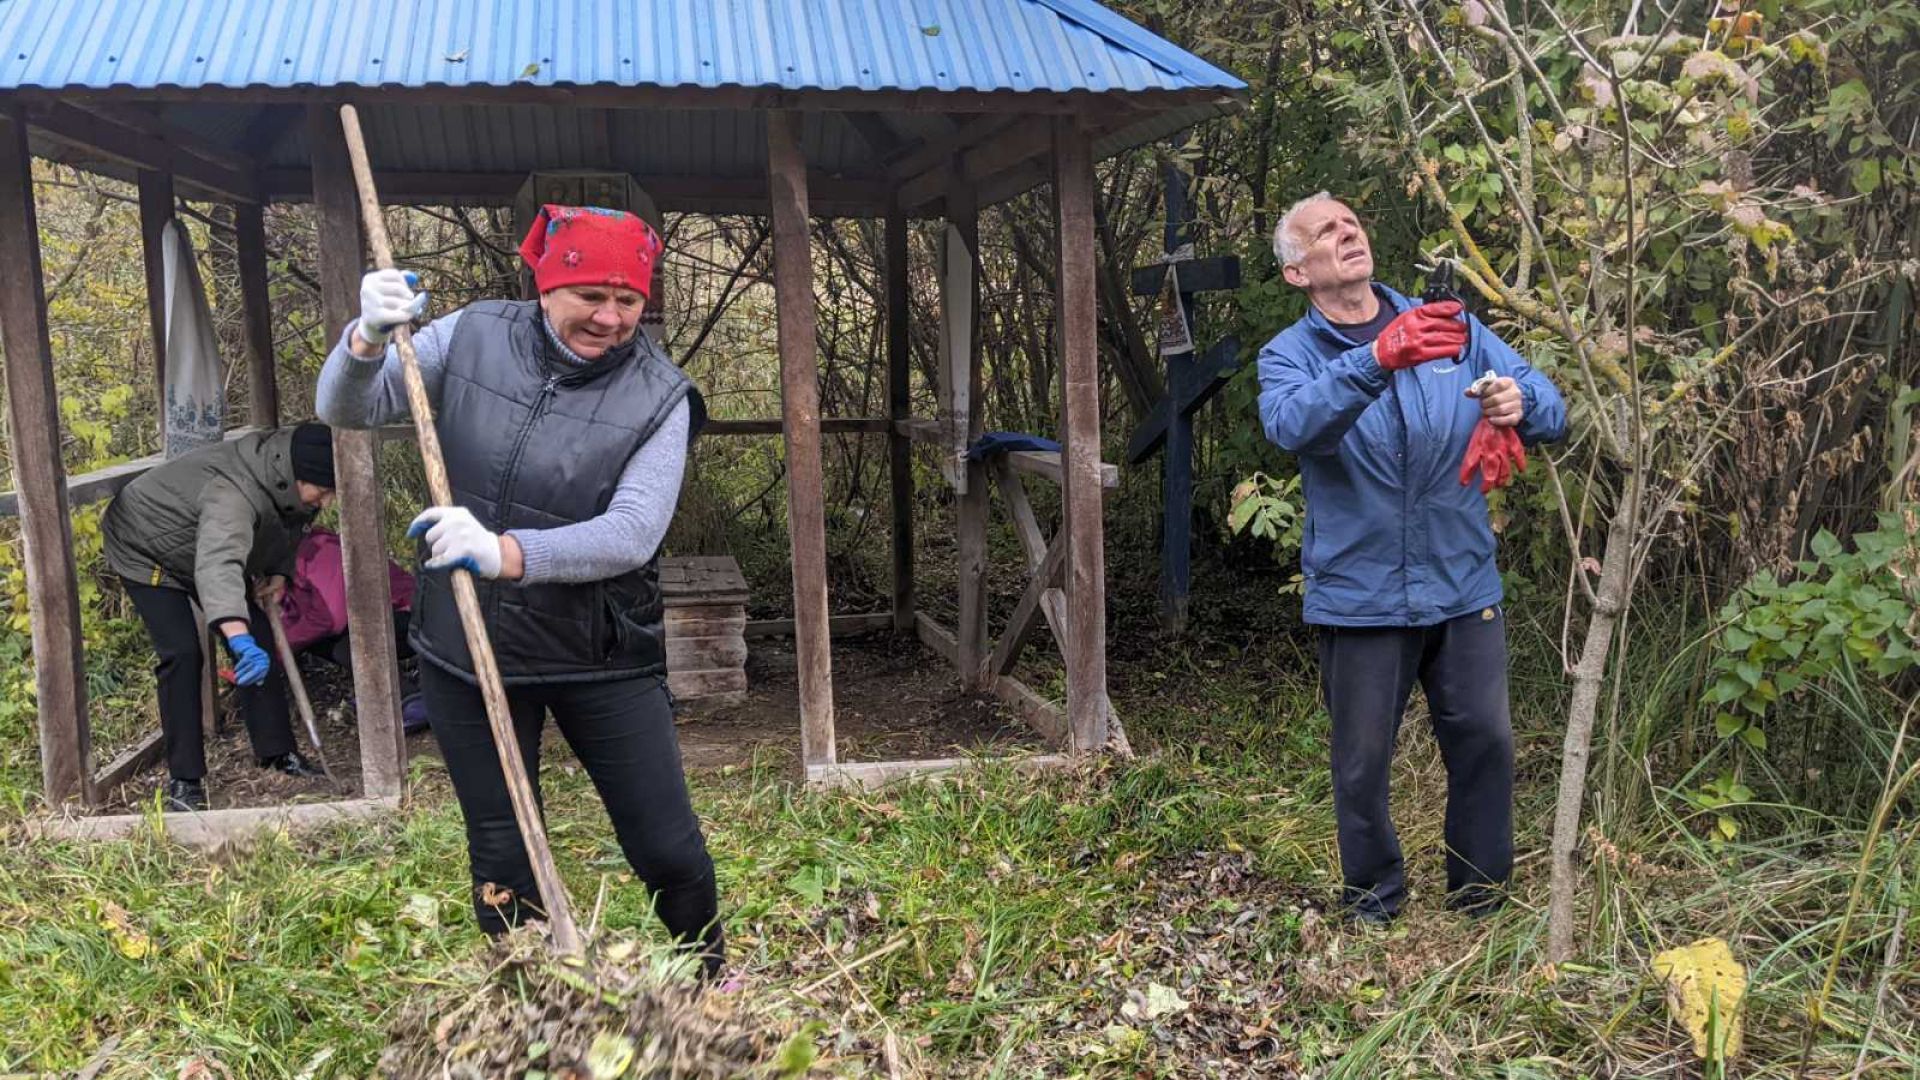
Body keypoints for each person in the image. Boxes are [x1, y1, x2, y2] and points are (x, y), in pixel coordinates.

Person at [316, 204, 721, 973]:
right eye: (590, 296)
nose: (610, 318)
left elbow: (633, 532)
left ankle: (708, 978)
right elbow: (347, 407)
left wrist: (504, 552)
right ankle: (534, 999)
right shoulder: (470, 336)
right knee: (502, 856)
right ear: (545, 286)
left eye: (628, 300)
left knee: (666, 846)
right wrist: (364, 338)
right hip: (467, 649)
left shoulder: (661, 396)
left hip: (598, 652)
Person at [1255, 192, 1568, 923]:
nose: (1347, 233)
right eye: (1325, 232)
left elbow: (1549, 402)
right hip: (1361, 594)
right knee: (1362, 762)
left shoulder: (1449, 325)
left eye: (1351, 222)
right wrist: (1376, 359)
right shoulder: (1289, 354)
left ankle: (1481, 897)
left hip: (1462, 580)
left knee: (1486, 742)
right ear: (1298, 273)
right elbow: (1292, 425)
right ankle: (1373, 900)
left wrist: (1519, 403)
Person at [102, 424, 334, 812]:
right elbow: (218, 565)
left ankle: (276, 753)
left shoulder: (282, 481)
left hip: (201, 542)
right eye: (323, 491)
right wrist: (237, 637)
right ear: (298, 476)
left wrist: (279, 571)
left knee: (260, 639)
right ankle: (185, 779)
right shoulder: (234, 494)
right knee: (182, 653)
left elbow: (287, 525)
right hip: (145, 545)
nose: (326, 501)